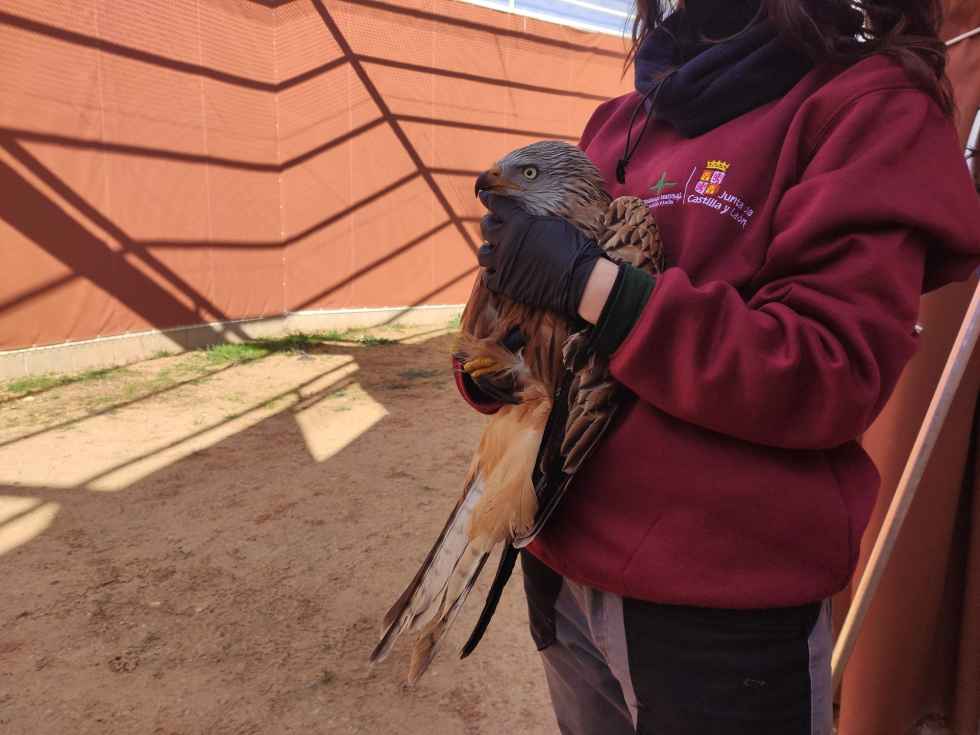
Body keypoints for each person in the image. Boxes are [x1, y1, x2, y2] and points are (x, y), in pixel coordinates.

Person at [459, 1, 980, 733]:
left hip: (714, 610)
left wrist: (593, 288)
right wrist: (497, 356)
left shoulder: (867, 105)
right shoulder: (621, 120)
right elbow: (539, 355)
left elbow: (827, 369)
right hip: (557, 554)